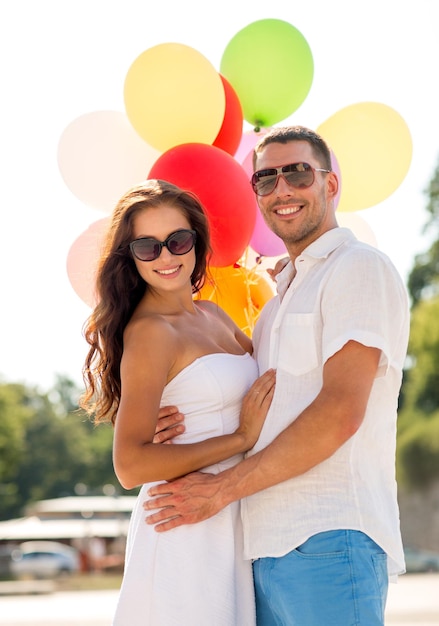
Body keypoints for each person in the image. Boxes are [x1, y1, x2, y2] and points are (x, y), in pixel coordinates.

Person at [144, 127, 410, 625]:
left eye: (297, 173)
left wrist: (220, 490)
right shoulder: (274, 305)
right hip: (261, 549)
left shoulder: (358, 267)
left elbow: (339, 413)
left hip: (331, 536)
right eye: (265, 179)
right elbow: (245, 398)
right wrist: (176, 418)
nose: (281, 190)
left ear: (331, 185)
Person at [79, 179, 275, 626]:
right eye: (147, 247)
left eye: (177, 240)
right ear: (130, 257)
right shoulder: (150, 332)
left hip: (229, 523)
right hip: (181, 530)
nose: (166, 257)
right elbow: (129, 466)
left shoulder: (213, 314)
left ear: (197, 241)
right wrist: (240, 437)